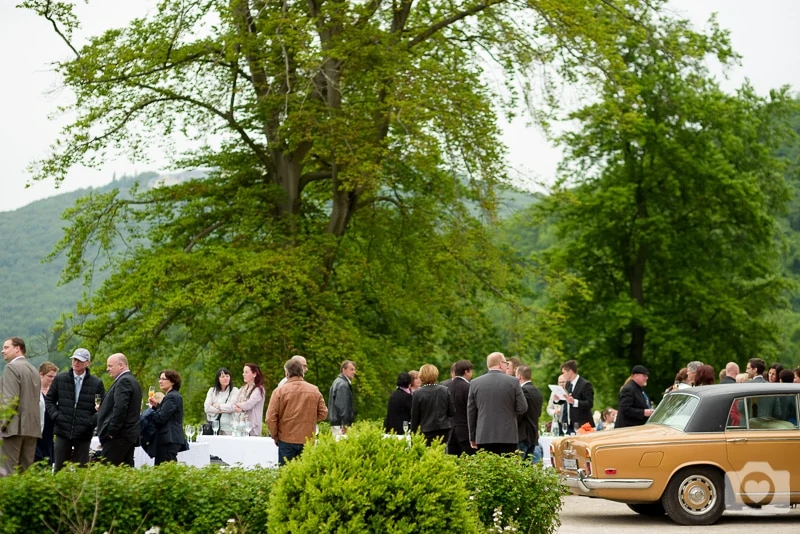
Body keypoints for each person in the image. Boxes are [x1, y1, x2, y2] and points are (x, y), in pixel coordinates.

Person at [45, 348, 106, 471]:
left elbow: (102, 408)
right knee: (59, 469)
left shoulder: (96, 383)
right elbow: (49, 400)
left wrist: (89, 422)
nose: (76, 363)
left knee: (81, 470)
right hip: (63, 431)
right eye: (74, 360)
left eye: (80, 360)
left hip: (83, 434)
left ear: (88, 363)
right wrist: (56, 416)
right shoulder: (60, 379)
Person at [265, 359, 328, 466]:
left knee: (286, 475)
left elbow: (270, 418)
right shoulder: (314, 390)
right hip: (307, 438)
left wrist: (275, 434)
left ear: (286, 373)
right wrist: (309, 418)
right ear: (302, 372)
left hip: (286, 438)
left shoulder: (279, 391)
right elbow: (324, 413)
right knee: (304, 476)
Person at [467, 352, 527, 454]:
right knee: (507, 468)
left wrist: (472, 437)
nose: (506, 366)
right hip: (507, 436)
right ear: (500, 364)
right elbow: (522, 407)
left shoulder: (475, 383)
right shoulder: (513, 382)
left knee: (487, 469)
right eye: (506, 364)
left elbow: (471, 413)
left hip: (484, 436)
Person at [1, 337, 42, 476]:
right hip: (32, 429)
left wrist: (2, 424)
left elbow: (10, 400)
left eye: (6, 347)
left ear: (17, 348)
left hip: (13, 428)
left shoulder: (11, 368)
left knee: (7, 474)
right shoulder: (34, 370)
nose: (2, 351)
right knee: (26, 474)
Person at [96, 353, 142, 466]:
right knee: (125, 470)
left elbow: (120, 408)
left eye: (110, 366)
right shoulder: (132, 380)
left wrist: (112, 431)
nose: (107, 369)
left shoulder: (124, 381)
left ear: (121, 365)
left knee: (106, 469)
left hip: (118, 436)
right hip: (127, 435)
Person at [145, 370, 185, 465]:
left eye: (163, 379)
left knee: (165, 469)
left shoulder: (171, 397)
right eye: (160, 379)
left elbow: (160, 419)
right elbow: (167, 414)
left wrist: (150, 410)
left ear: (172, 381)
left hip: (168, 439)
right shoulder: (172, 396)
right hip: (169, 438)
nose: (160, 381)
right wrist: (156, 406)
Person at [410, 364, 455, 446]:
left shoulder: (418, 393)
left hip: (426, 430)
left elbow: (415, 416)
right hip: (443, 429)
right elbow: (452, 411)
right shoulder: (444, 390)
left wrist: (413, 435)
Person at [557, 359, 594, 434]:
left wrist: (574, 402)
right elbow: (566, 400)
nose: (563, 375)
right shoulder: (568, 384)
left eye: (564, 373)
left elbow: (589, 403)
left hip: (583, 425)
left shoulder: (585, 384)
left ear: (570, 372)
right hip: (570, 424)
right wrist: (557, 400)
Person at [516, 365, 543, 464]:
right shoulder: (537, 392)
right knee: (527, 466)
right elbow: (538, 413)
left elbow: (520, 412)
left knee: (518, 465)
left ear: (519, 376)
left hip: (523, 434)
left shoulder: (523, 391)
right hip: (533, 434)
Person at [446, 359, 474, 456]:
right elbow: (472, 410)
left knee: (453, 462)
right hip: (465, 430)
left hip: (450, 430)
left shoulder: (446, 387)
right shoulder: (468, 387)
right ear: (466, 371)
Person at [35, 362, 58, 465]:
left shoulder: (55, 392)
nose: (52, 379)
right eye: (50, 376)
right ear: (41, 374)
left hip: (50, 430)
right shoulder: (34, 390)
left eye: (54, 377)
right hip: (37, 429)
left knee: (49, 458)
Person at [204, 367, 239, 435]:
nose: (225, 378)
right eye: (223, 376)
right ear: (218, 379)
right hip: (213, 427)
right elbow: (207, 408)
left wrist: (217, 405)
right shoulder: (212, 391)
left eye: (227, 376)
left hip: (229, 428)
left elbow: (231, 407)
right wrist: (221, 410)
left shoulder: (234, 390)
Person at [234, 363, 266, 436]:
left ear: (254, 374)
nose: (243, 374)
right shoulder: (243, 388)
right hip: (241, 425)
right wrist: (238, 406)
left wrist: (240, 407)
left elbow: (248, 405)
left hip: (252, 427)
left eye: (246, 372)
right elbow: (233, 402)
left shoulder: (259, 390)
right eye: (243, 372)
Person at [328, 360, 356, 434]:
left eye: (354, 369)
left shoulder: (338, 382)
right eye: (351, 369)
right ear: (344, 370)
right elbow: (343, 406)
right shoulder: (343, 385)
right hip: (340, 425)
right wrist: (345, 424)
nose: (354, 372)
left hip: (337, 423)